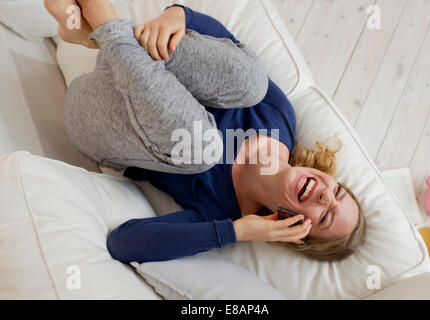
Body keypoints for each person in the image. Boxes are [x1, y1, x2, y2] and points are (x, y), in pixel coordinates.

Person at [44, 0, 365, 263]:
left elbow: (124, 243)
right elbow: (227, 46)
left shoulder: (220, 214)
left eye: (324, 216)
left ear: (295, 231)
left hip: (96, 118)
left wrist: (236, 232)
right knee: (252, 81)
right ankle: (103, 32)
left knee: (202, 148)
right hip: (125, 62)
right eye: (338, 192)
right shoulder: (280, 116)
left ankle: (102, 28)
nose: (327, 197)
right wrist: (178, 15)